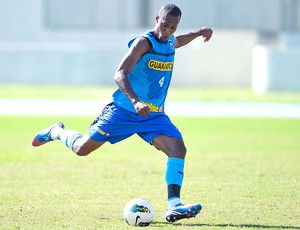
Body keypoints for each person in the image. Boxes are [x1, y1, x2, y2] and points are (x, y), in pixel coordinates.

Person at [32, 4, 213, 223]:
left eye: (172, 28)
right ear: (157, 18)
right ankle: (56, 132)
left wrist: (199, 32)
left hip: (153, 115)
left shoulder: (170, 41)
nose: (167, 32)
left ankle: (174, 205)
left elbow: (179, 41)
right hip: (124, 111)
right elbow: (119, 74)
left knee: (178, 148)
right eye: (164, 25)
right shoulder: (143, 43)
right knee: (81, 149)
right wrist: (136, 102)